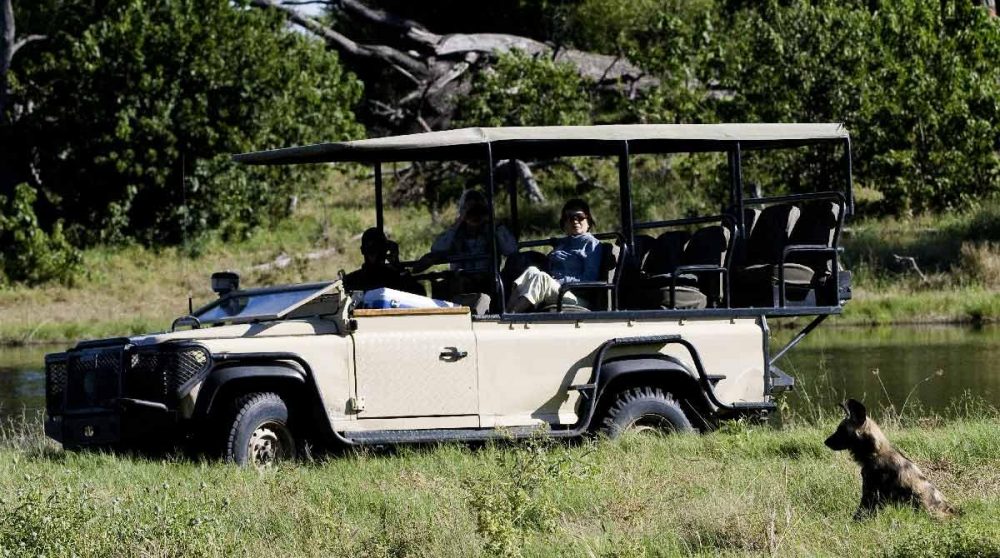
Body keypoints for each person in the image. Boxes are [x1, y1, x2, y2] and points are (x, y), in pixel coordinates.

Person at [505, 199, 602, 313]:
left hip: (576, 295)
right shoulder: (563, 243)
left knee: (543, 278)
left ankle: (512, 316)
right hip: (558, 289)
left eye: (580, 217)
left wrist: (559, 281)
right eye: (570, 218)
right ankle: (505, 312)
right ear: (564, 223)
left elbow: (590, 278)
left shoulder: (591, 244)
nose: (575, 221)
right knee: (531, 270)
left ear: (588, 221)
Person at [414, 190, 516, 295]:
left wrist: (495, 223)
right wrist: (458, 222)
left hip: (487, 282)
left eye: (478, 211)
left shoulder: (493, 232)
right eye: (471, 211)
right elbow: (436, 249)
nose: (475, 216)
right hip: (461, 283)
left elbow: (512, 250)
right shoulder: (455, 235)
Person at [342, 227, 423, 295]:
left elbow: (418, 294)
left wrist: (397, 265)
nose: (374, 253)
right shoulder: (351, 280)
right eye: (370, 248)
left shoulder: (395, 278)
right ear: (363, 250)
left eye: (378, 248)